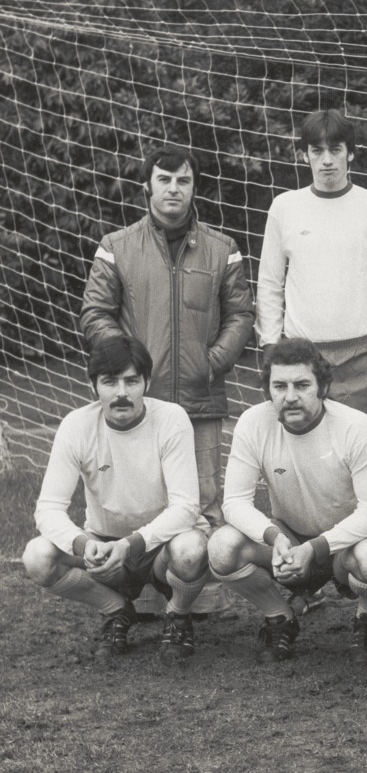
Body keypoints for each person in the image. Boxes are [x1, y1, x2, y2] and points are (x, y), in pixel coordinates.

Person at [81, 144, 254, 528]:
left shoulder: (223, 249)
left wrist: (211, 364)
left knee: (204, 508)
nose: (173, 188)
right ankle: (141, 583)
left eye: (183, 180)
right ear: (147, 187)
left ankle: (201, 587)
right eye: (164, 179)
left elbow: (241, 315)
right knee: (144, 504)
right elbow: (95, 313)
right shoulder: (116, 247)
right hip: (141, 400)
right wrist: (129, 367)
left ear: (194, 188)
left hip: (201, 400)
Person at [208, 338, 367, 663]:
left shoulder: (356, 426)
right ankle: (280, 617)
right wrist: (277, 538)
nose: (291, 396)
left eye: (302, 384)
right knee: (222, 547)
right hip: (289, 538)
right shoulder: (253, 423)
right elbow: (234, 503)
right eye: (279, 386)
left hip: (346, 546)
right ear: (268, 388)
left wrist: (315, 549)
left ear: (322, 386)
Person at [22, 336, 209, 659]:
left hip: (161, 545)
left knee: (191, 551)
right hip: (103, 544)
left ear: (146, 382)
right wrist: (84, 545)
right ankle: (117, 610)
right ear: (94, 385)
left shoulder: (172, 419)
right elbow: (48, 509)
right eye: (110, 382)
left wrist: (131, 545)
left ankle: (177, 614)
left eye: (131, 381)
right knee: (37, 556)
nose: (121, 393)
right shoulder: (76, 426)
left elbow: (186, 506)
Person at [256, 109, 367, 426]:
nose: (326, 160)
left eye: (335, 150)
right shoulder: (284, 207)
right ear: (303, 154)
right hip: (301, 359)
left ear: (350, 153)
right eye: (317, 150)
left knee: (364, 461)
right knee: (303, 461)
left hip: (362, 357)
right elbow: (268, 285)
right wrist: (271, 353)